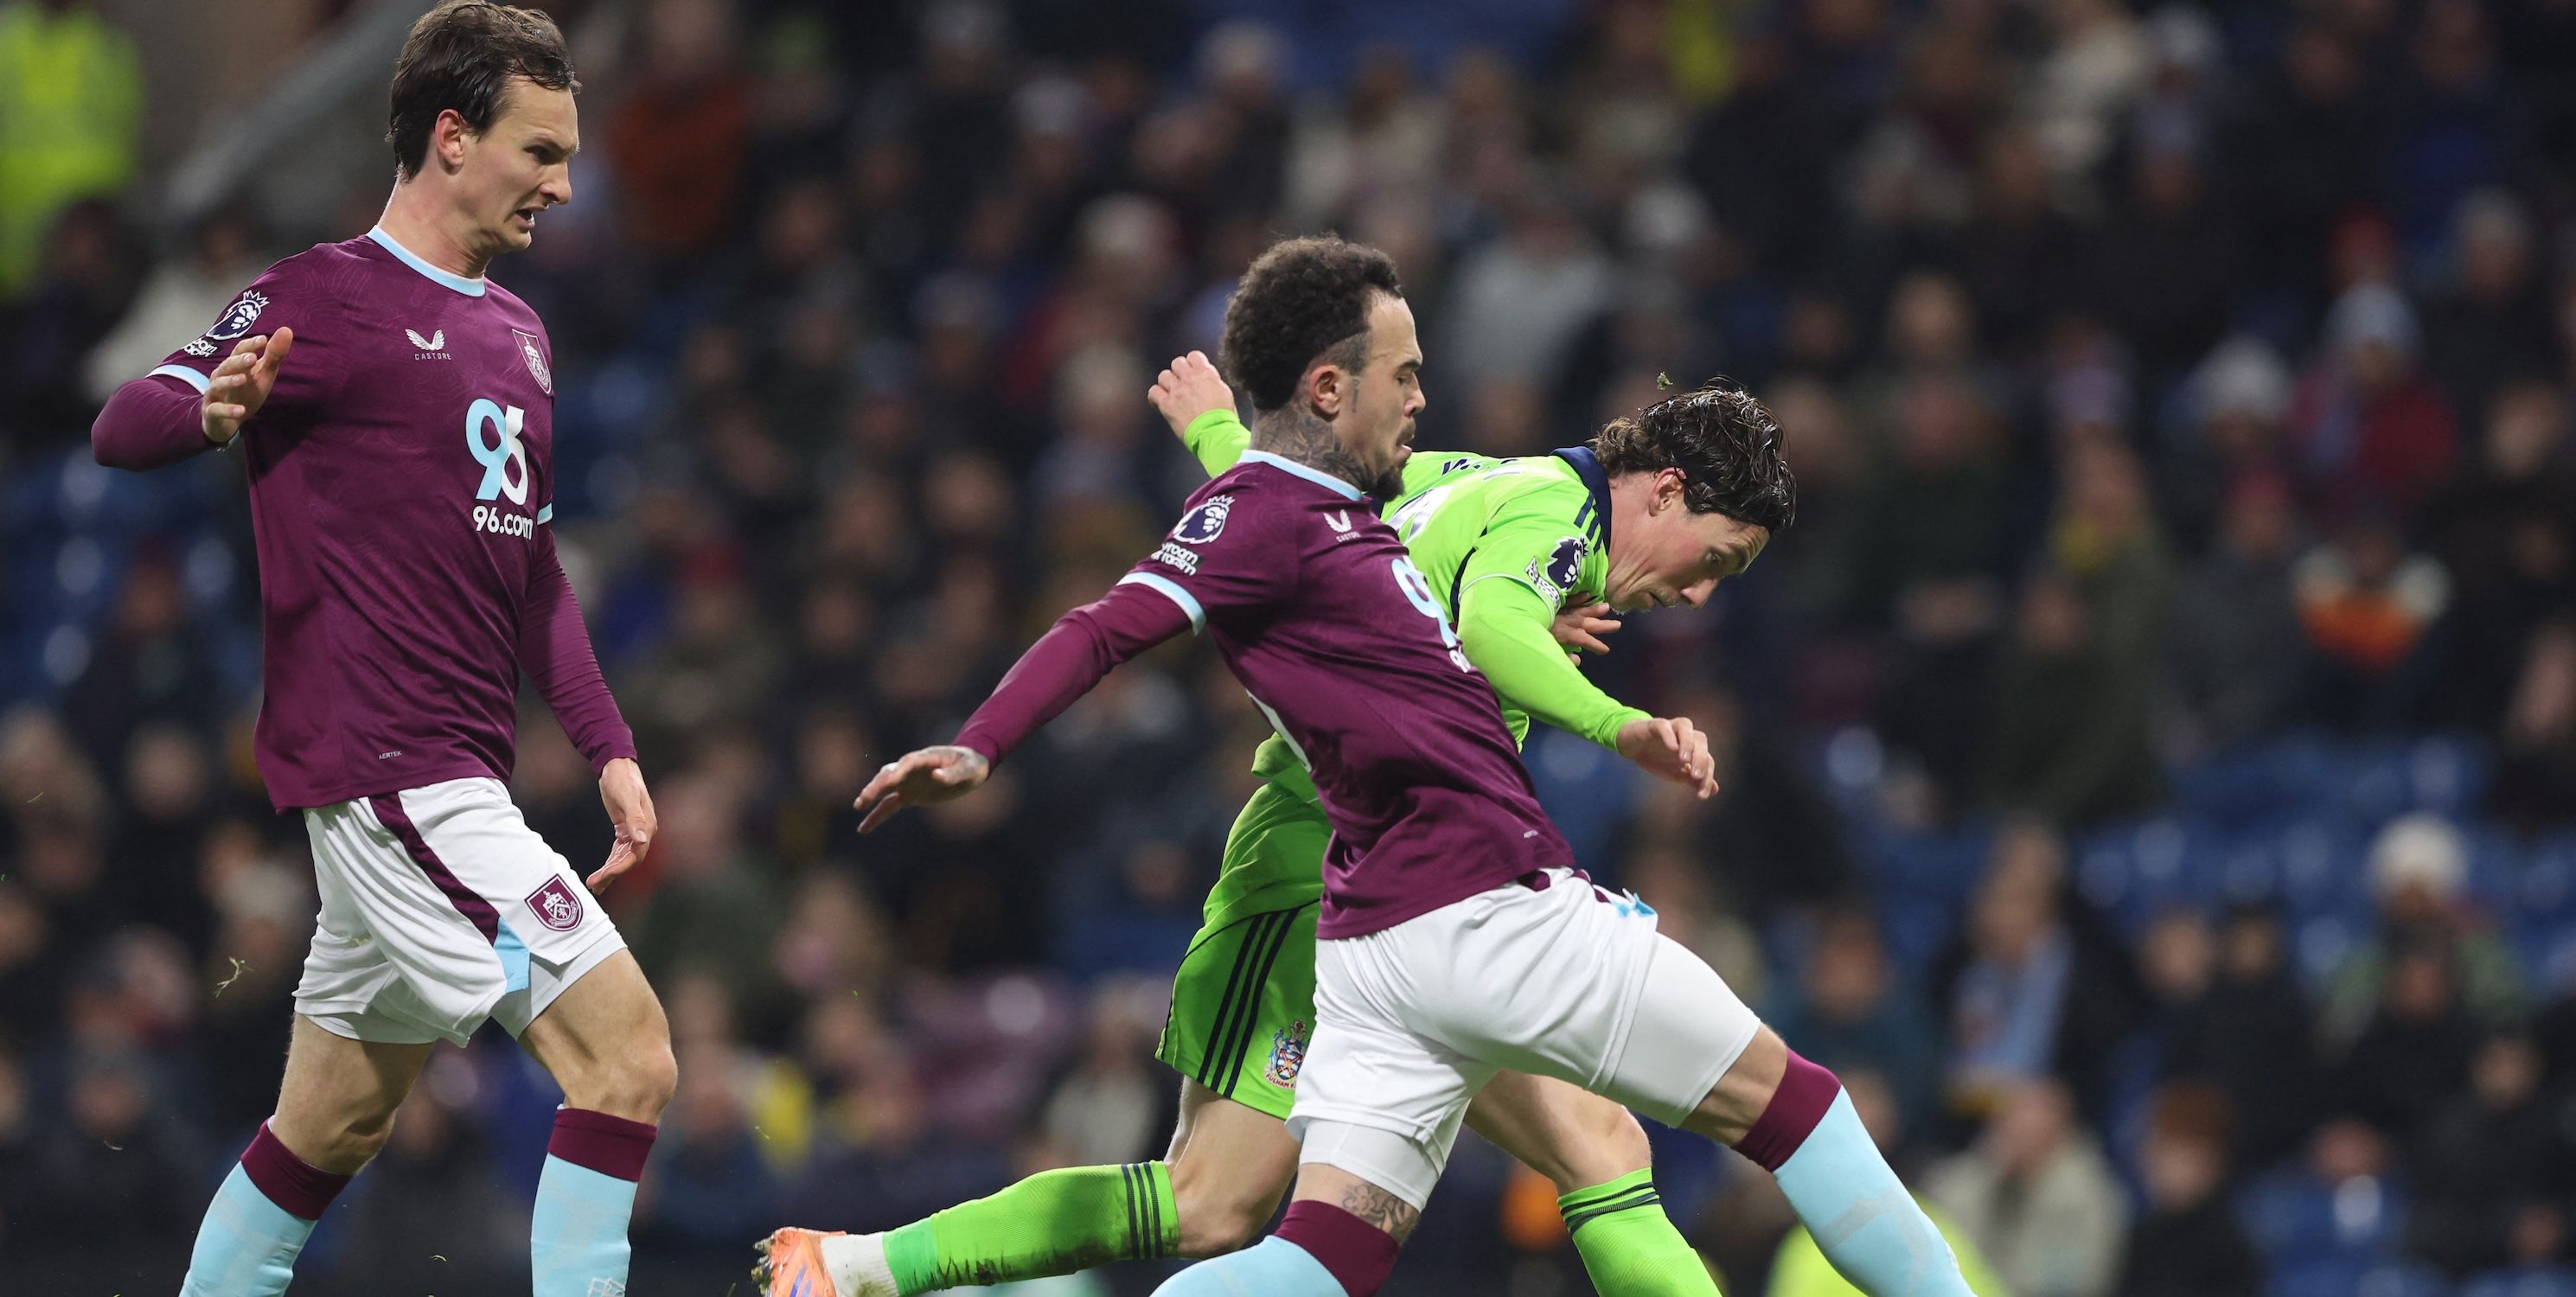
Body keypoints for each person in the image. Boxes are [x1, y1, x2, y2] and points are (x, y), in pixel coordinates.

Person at [768, 236, 1966, 1297]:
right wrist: (1619, 724)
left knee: (1350, 1215)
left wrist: (1210, 433)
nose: (1703, 593)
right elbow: (1350, 570)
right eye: (1720, 557)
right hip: (1348, 873)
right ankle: (863, 1267)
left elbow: (1306, 508)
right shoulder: (1542, 518)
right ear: (1664, 492)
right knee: (1218, 1203)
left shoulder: (1440, 484)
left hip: (1377, 924)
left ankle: (850, 1269)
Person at [86, 4, 673, 1294]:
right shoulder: (321, 295)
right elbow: (127, 419)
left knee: (328, 1130)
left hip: (448, 779)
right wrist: (208, 409)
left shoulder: (521, 338)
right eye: (540, 150)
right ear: (452, 138)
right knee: (627, 1055)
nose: (566, 184)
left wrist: (608, 745)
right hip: (391, 771)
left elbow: (531, 573)